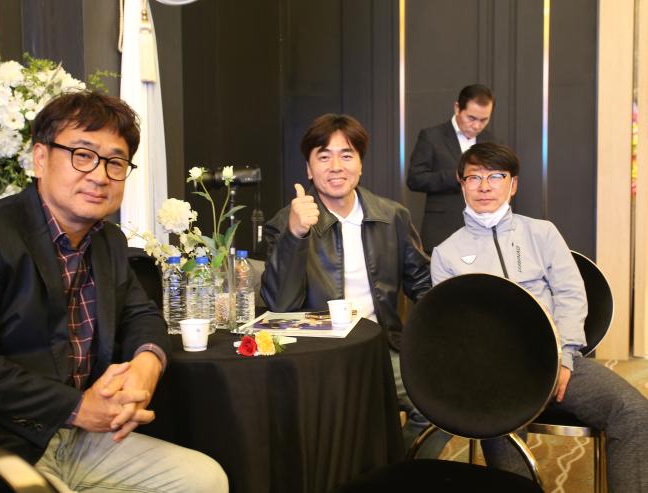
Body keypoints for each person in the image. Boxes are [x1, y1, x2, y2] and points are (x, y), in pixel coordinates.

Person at [0, 91, 228, 493]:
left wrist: (147, 365)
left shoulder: (108, 240)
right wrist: (77, 407)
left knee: (204, 478)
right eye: (82, 155)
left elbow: (141, 315)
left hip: (79, 436)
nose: (100, 175)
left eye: (115, 162)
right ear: (40, 158)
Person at [431, 142, 648, 492]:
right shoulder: (446, 254)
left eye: (495, 176)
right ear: (462, 184)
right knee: (503, 444)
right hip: (497, 375)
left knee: (634, 412)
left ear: (513, 184)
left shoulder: (542, 232)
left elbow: (570, 293)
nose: (484, 186)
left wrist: (566, 356)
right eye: (474, 177)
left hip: (556, 360)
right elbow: (454, 328)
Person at [260, 113, 444, 455]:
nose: (336, 167)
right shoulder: (285, 222)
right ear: (309, 169)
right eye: (324, 157)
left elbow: (424, 285)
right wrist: (295, 235)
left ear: (360, 164)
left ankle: (400, 470)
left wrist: (437, 340)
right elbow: (279, 305)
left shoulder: (392, 216)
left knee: (439, 403)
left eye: (346, 155)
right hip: (319, 354)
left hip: (383, 350)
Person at [407, 84, 496, 253]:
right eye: (471, 118)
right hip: (442, 229)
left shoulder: (492, 141)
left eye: (484, 120)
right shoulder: (432, 136)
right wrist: (454, 176)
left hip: (482, 231)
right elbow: (414, 178)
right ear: (457, 108)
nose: (477, 126)